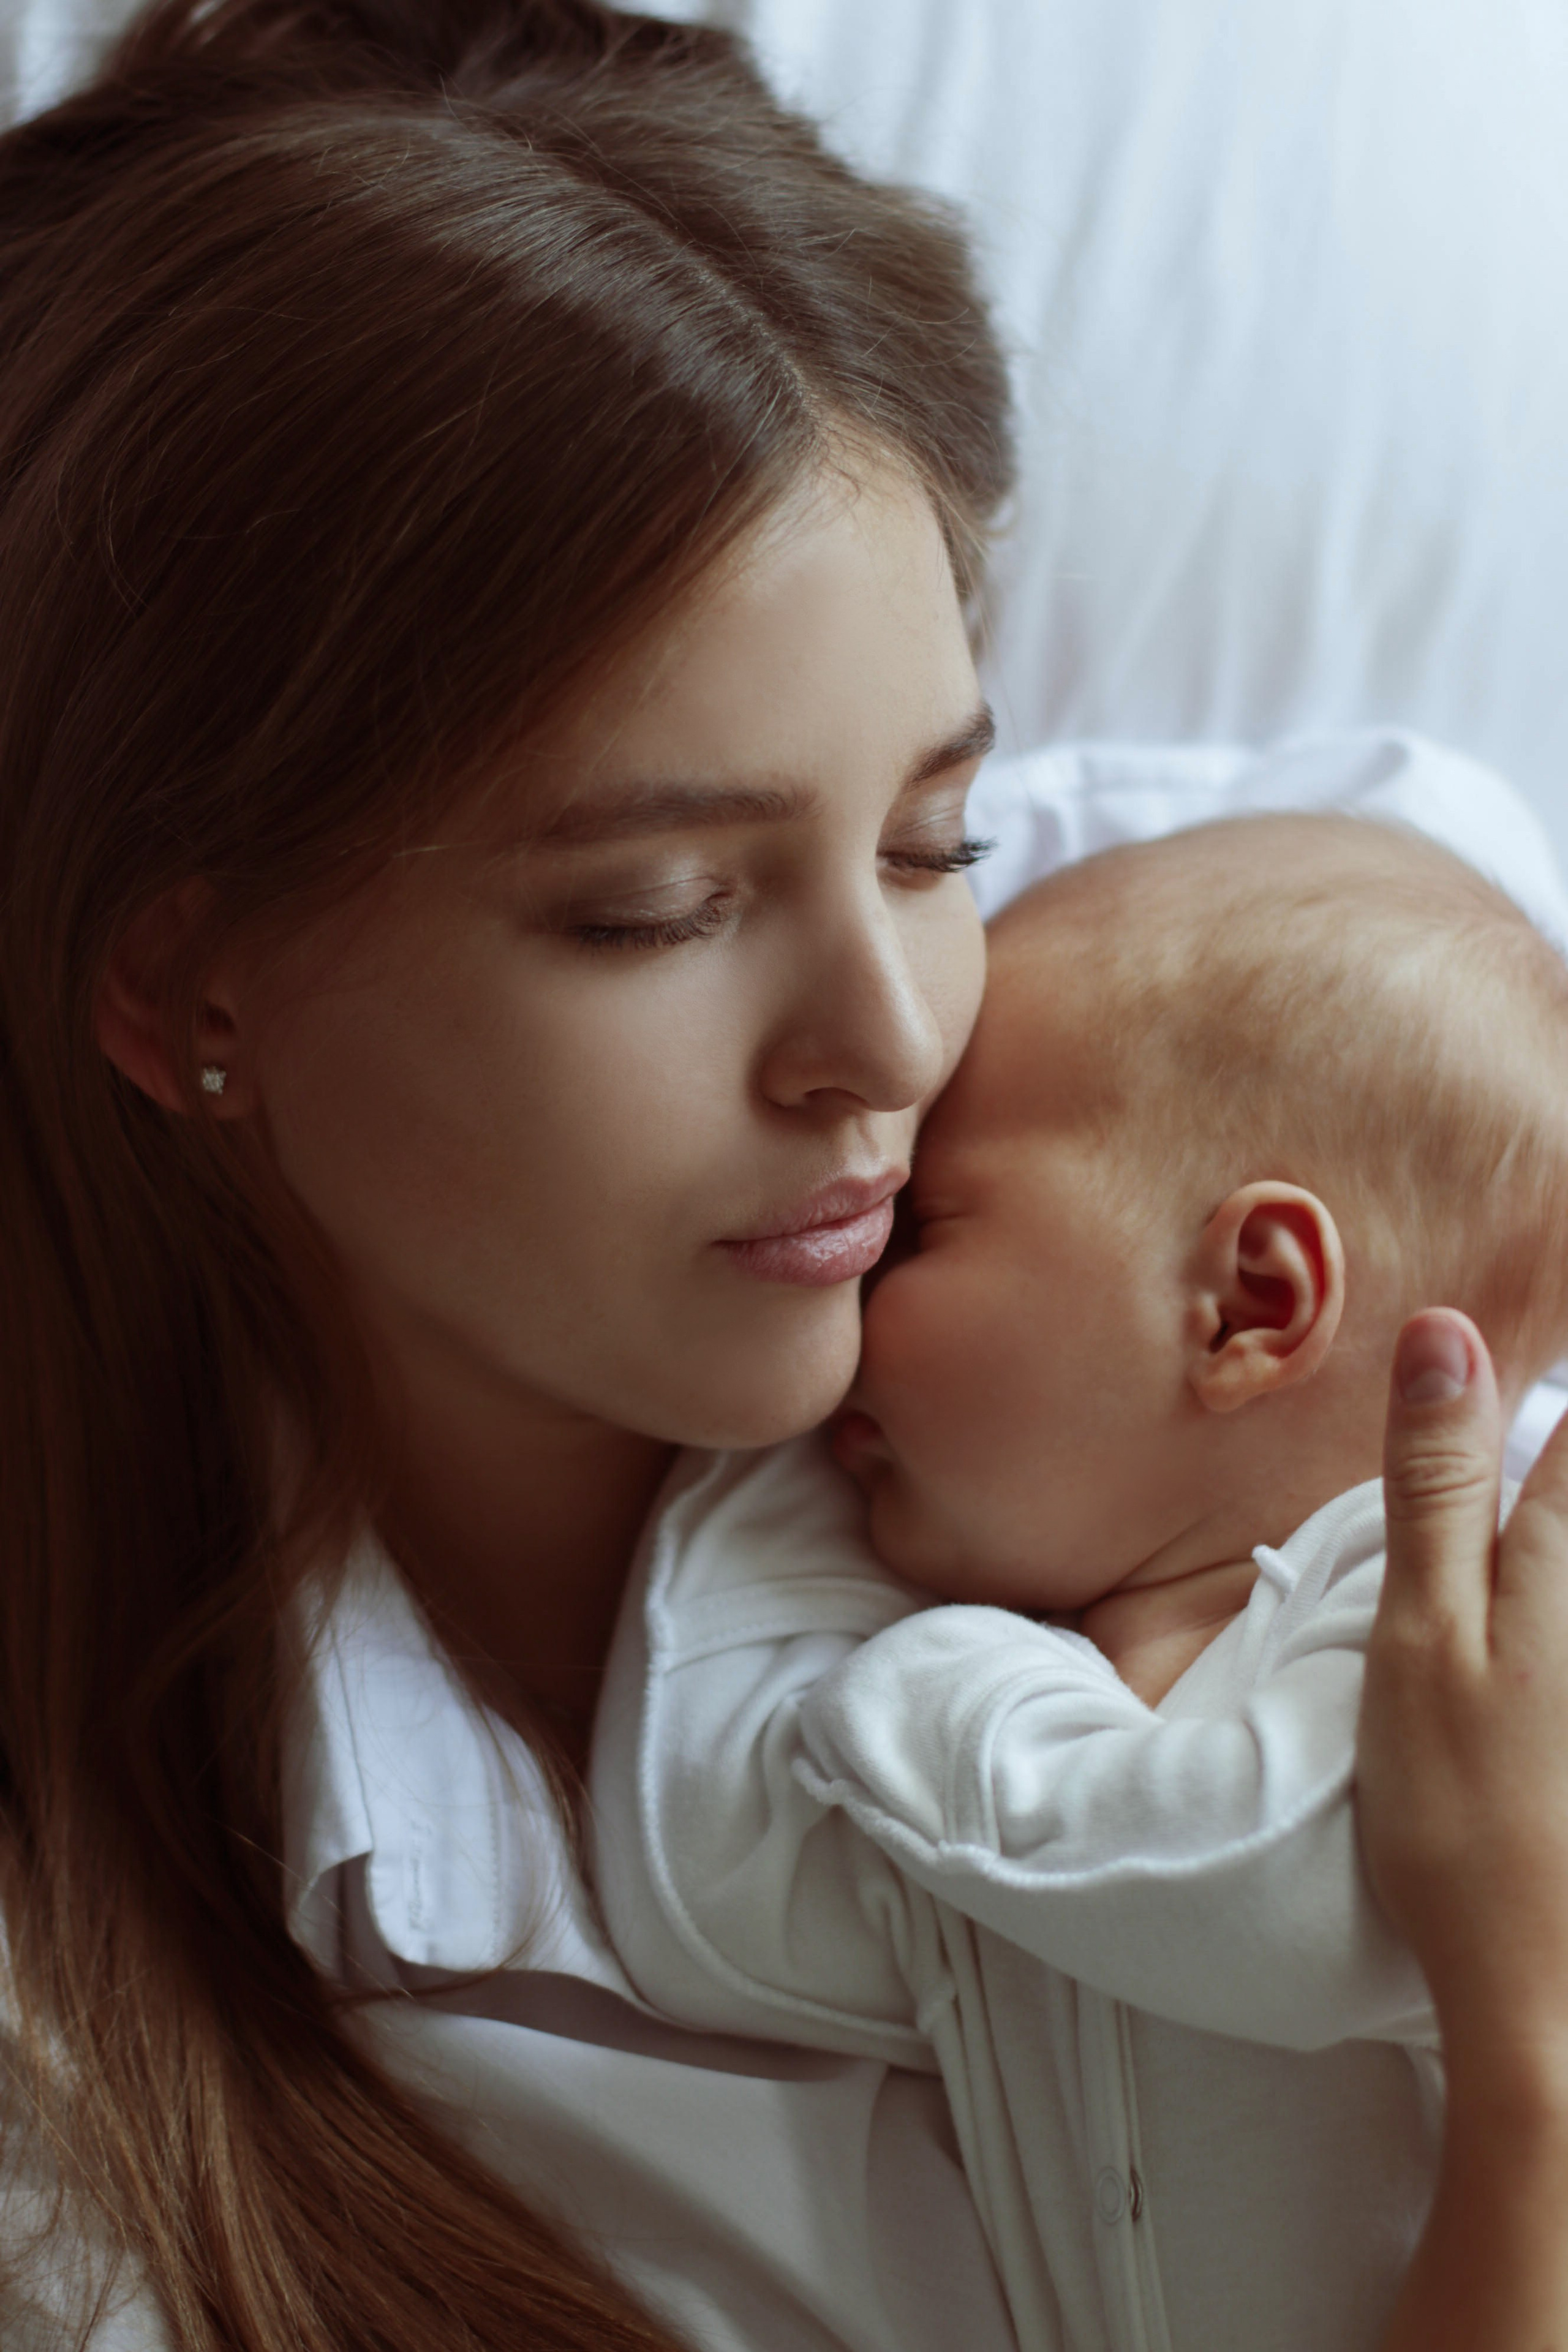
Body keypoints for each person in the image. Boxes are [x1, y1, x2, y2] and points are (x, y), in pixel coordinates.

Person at [1, 0, 1567, 2345]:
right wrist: (1531, 2071)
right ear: (187, 994)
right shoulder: (129, 2083)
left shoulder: (1256, 1041)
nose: (901, 1038)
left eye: (939, 831)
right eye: (654, 911)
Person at [594, 810, 1568, 2348]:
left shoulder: (1433, 1615)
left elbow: (1292, 1918)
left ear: (1246, 1302)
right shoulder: (1031, 1707)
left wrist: (927, 1675)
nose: (850, 1273)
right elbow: (713, 1890)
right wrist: (756, 1407)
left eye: (915, 1227)